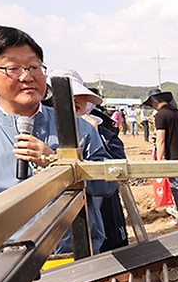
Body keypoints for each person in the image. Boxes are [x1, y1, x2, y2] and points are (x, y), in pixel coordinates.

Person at [0, 25, 115, 255]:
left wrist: (57, 160)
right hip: (6, 269)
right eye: (12, 68)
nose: (28, 77)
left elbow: (108, 185)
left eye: (34, 67)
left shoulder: (78, 128)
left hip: (77, 258)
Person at [49, 69, 129, 252]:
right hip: (65, 231)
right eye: (68, 97)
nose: (74, 101)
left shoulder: (104, 132)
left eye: (80, 96)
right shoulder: (41, 136)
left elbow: (117, 173)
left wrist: (96, 137)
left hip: (105, 213)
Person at [145, 88, 178, 224]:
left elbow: (161, 139)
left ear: (154, 101)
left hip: (173, 156)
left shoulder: (160, 115)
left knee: (176, 187)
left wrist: (159, 159)